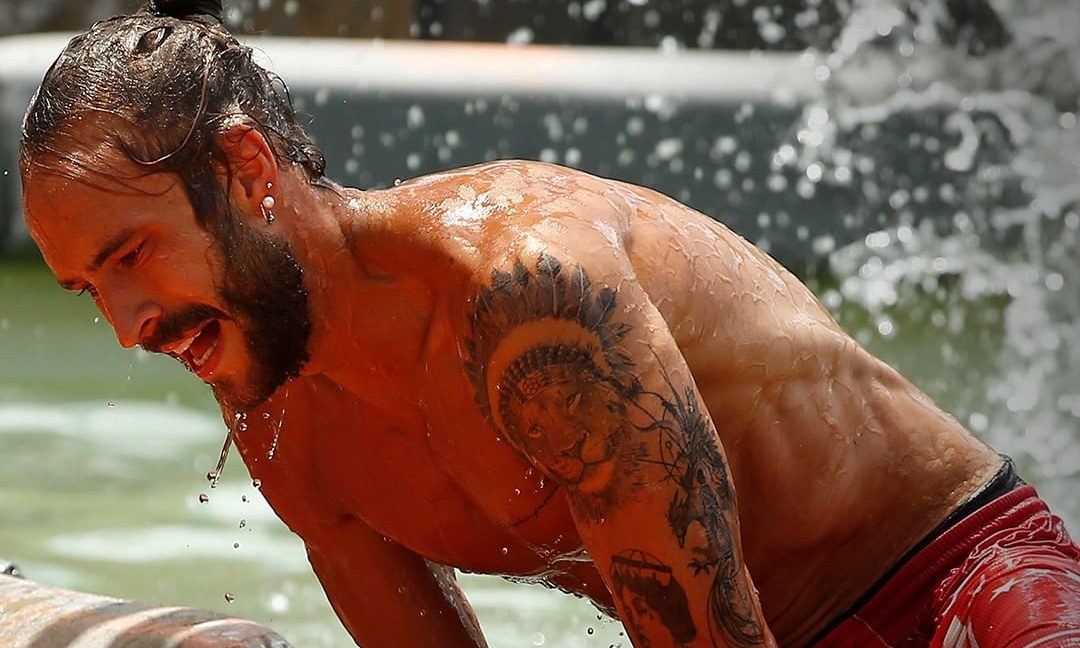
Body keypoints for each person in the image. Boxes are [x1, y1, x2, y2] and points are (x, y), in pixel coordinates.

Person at [18, 1, 1080, 646]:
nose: (126, 328)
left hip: (962, 591)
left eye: (131, 256)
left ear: (247, 168)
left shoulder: (526, 296)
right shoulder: (281, 411)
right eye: (87, 290)